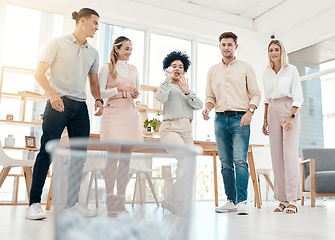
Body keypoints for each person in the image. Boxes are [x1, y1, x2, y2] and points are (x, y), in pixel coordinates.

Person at [26, 8, 103, 220]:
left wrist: (98, 99)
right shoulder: (57, 43)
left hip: (80, 107)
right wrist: (52, 95)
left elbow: (94, 82)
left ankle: (73, 204)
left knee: (79, 156)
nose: (97, 27)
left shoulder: (93, 53)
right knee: (47, 151)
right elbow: (39, 74)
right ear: (82, 21)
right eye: (95, 23)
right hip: (57, 104)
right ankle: (33, 204)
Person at [202, 32, 261, 215]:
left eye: (229, 44)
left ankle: (242, 201)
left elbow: (255, 93)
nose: (226, 47)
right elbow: (210, 97)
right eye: (223, 44)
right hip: (220, 119)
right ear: (219, 46)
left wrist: (250, 111)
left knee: (239, 161)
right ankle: (231, 200)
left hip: (241, 118)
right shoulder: (212, 71)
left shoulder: (245, 67)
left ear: (236, 46)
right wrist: (207, 108)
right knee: (226, 162)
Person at [98, 36, 143, 217]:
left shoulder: (134, 69)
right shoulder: (106, 68)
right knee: (113, 157)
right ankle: (110, 201)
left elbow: (137, 93)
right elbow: (99, 92)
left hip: (130, 113)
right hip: (113, 112)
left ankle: (121, 201)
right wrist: (118, 89)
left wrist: (135, 92)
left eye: (131, 49)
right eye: (126, 49)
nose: (130, 52)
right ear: (116, 49)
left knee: (126, 159)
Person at [156, 50, 203, 214]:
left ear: (184, 70)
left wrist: (187, 92)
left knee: (189, 164)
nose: (177, 68)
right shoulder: (165, 85)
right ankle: (174, 201)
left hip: (186, 130)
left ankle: (173, 202)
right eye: (173, 66)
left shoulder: (186, 88)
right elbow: (161, 99)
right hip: (170, 128)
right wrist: (167, 81)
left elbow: (199, 106)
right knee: (185, 158)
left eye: (180, 66)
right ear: (168, 69)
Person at [262, 39, 303, 214]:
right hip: (272, 109)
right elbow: (266, 98)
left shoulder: (291, 70)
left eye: (276, 49)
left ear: (282, 51)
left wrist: (291, 116)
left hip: (289, 108)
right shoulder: (266, 72)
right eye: (271, 50)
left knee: (290, 154)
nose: (273, 53)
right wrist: (264, 120)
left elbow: (298, 95)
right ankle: (282, 199)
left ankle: (293, 199)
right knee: (276, 156)